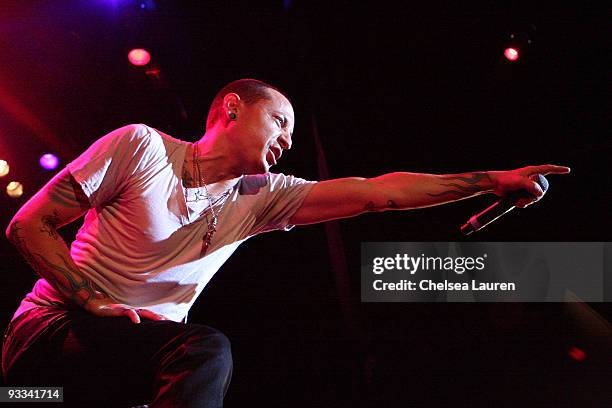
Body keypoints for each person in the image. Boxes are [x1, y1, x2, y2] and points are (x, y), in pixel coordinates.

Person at [2, 78, 570, 407]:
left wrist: (491, 181)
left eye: (292, 134)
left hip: (123, 364)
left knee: (194, 358)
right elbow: (29, 224)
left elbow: (378, 194)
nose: (287, 141)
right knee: (204, 349)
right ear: (232, 107)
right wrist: (93, 300)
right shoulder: (141, 148)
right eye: (279, 123)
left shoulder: (262, 196)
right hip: (51, 335)